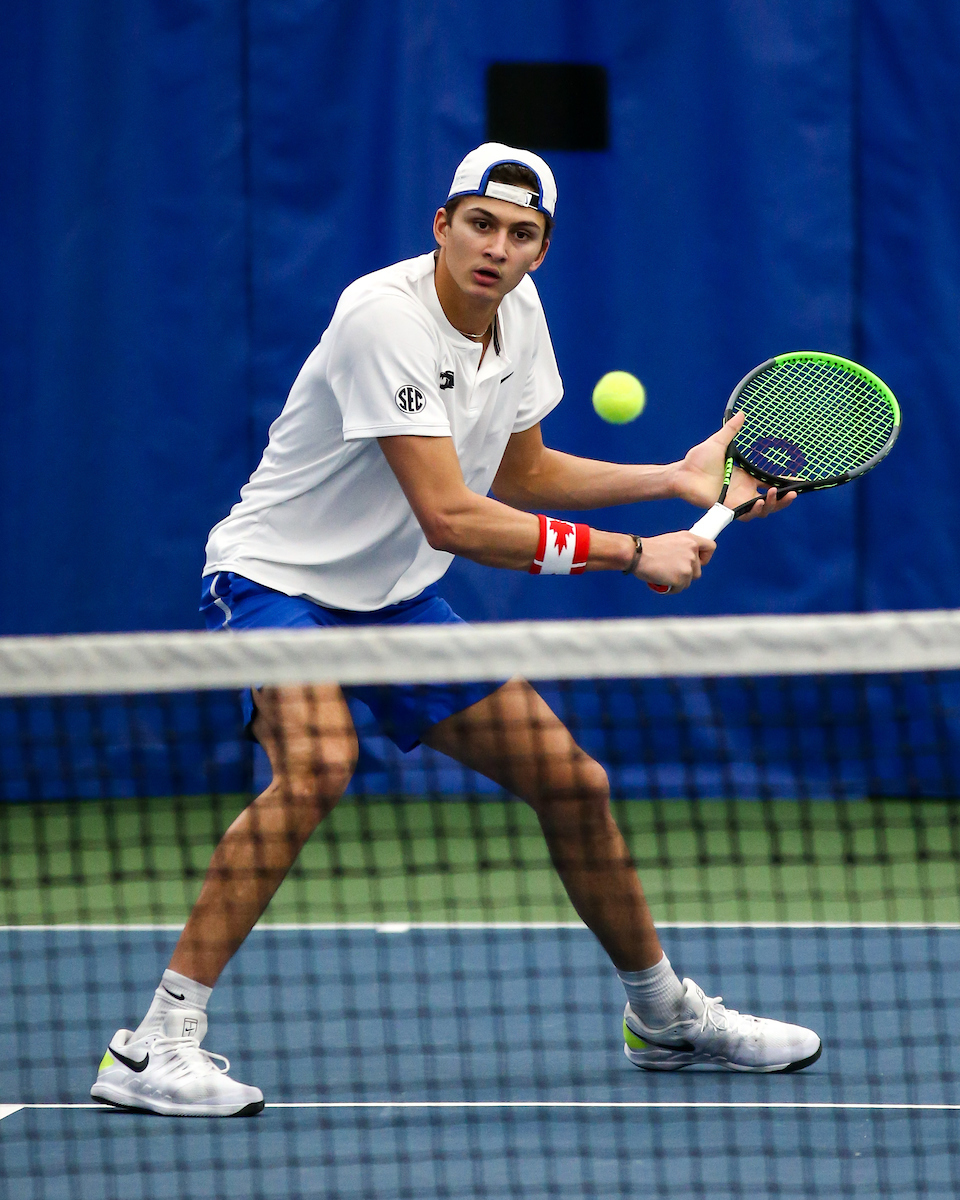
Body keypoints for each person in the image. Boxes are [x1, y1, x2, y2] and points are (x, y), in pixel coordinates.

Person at [91, 143, 820, 1117]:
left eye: (521, 234)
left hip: (392, 594)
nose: (496, 246)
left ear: (541, 251)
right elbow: (455, 517)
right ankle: (154, 1046)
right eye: (480, 223)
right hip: (278, 581)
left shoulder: (518, 314)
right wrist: (634, 552)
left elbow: (519, 476)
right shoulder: (381, 318)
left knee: (572, 781)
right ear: (442, 224)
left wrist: (676, 481)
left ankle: (664, 1015)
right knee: (316, 764)